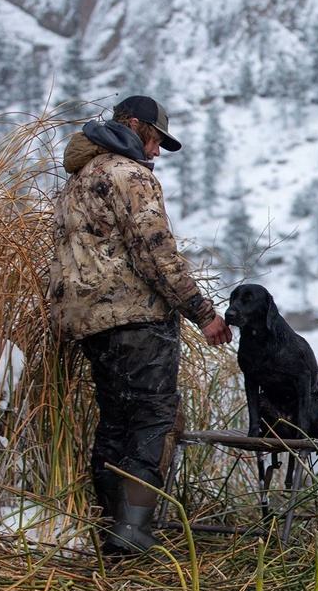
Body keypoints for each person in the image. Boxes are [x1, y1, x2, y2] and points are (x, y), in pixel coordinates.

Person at [49, 95, 232, 554]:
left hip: (89, 323)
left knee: (114, 422)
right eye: (154, 140)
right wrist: (203, 313)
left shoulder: (78, 179)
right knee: (152, 419)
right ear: (134, 125)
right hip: (138, 320)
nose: (155, 152)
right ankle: (131, 534)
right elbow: (156, 255)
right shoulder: (131, 175)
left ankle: (111, 530)